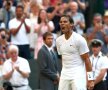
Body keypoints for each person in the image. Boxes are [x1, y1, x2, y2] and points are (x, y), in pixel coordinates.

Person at [56, 15, 93, 90]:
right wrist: (62, 73)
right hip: (64, 75)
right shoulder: (58, 40)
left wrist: (90, 79)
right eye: (60, 22)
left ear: (71, 24)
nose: (62, 24)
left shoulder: (79, 39)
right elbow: (63, 58)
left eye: (65, 22)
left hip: (78, 74)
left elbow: (87, 60)